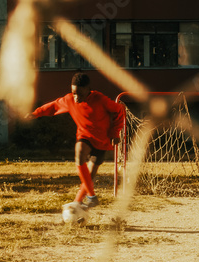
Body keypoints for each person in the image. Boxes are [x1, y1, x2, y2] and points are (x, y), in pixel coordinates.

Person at [27, 72, 125, 212]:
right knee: (79, 153)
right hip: (84, 136)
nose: (76, 97)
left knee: (89, 178)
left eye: (79, 93)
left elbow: (119, 110)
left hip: (102, 140)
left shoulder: (100, 99)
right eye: (73, 93)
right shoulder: (69, 100)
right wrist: (36, 113)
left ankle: (78, 202)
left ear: (87, 89)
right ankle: (91, 197)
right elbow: (54, 106)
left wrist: (115, 132)